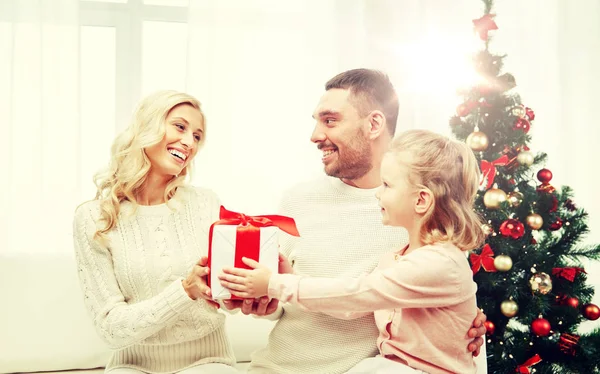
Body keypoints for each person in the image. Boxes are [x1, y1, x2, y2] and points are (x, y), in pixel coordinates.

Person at [218, 69, 487, 374]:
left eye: (330, 120)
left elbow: (383, 296)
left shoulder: (417, 224)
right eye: (317, 121)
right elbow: (287, 299)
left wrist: (466, 326)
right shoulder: (298, 200)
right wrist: (264, 295)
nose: (315, 135)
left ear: (373, 124)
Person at [72, 90, 237, 374]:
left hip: (208, 362)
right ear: (147, 127)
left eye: (197, 136)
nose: (189, 142)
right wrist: (185, 290)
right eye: (180, 127)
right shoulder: (94, 218)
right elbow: (111, 329)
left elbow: (225, 298)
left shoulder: (205, 203)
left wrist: (238, 293)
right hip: (132, 365)